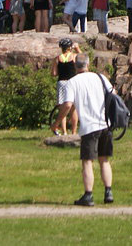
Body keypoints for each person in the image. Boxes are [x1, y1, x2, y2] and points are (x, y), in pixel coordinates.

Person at [52, 53, 115, 206]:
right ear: (88, 64)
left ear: (75, 65)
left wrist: (57, 123)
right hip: (105, 124)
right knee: (104, 159)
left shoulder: (72, 82)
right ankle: (108, 192)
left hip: (89, 127)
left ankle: (88, 195)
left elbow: (67, 105)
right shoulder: (100, 77)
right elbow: (113, 94)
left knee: (87, 161)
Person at [50, 38, 81, 136]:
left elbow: (54, 73)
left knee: (62, 108)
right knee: (73, 109)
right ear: (70, 47)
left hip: (62, 83)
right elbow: (83, 59)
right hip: (72, 82)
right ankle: (74, 131)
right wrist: (77, 48)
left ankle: (64, 132)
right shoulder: (74, 56)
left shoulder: (57, 58)